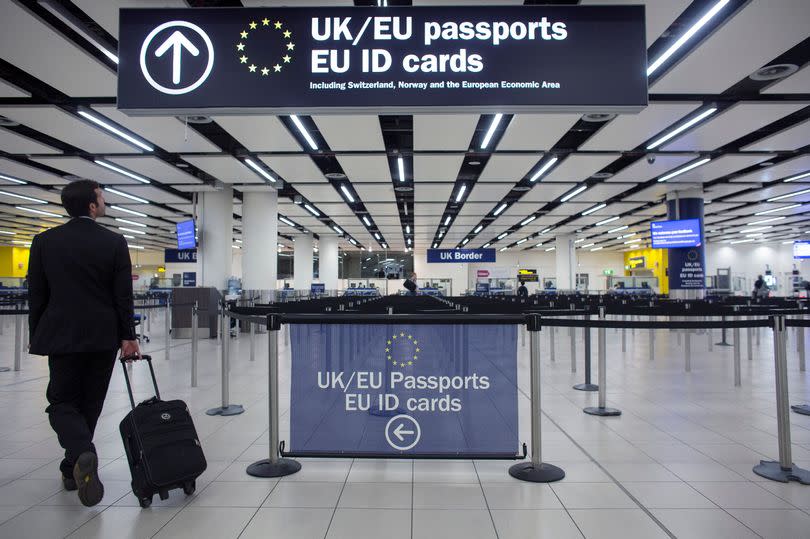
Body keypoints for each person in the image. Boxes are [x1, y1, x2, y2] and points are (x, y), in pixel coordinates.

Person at [28, 179, 139, 507]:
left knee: (62, 402)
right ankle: (72, 464)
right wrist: (128, 335)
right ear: (92, 205)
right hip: (102, 336)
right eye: (102, 198)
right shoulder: (114, 242)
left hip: (62, 335)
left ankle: (79, 455)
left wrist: (39, 334)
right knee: (91, 402)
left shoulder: (44, 241)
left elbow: (38, 294)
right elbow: (123, 296)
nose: (105, 202)